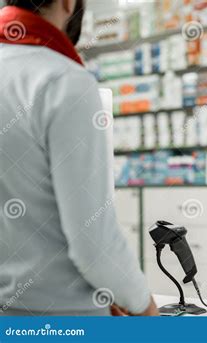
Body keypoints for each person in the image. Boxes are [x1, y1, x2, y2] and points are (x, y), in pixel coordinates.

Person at [0, 0, 158, 316]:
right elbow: (93, 242)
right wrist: (142, 304)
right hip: (60, 315)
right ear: (68, 3)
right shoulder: (63, 80)